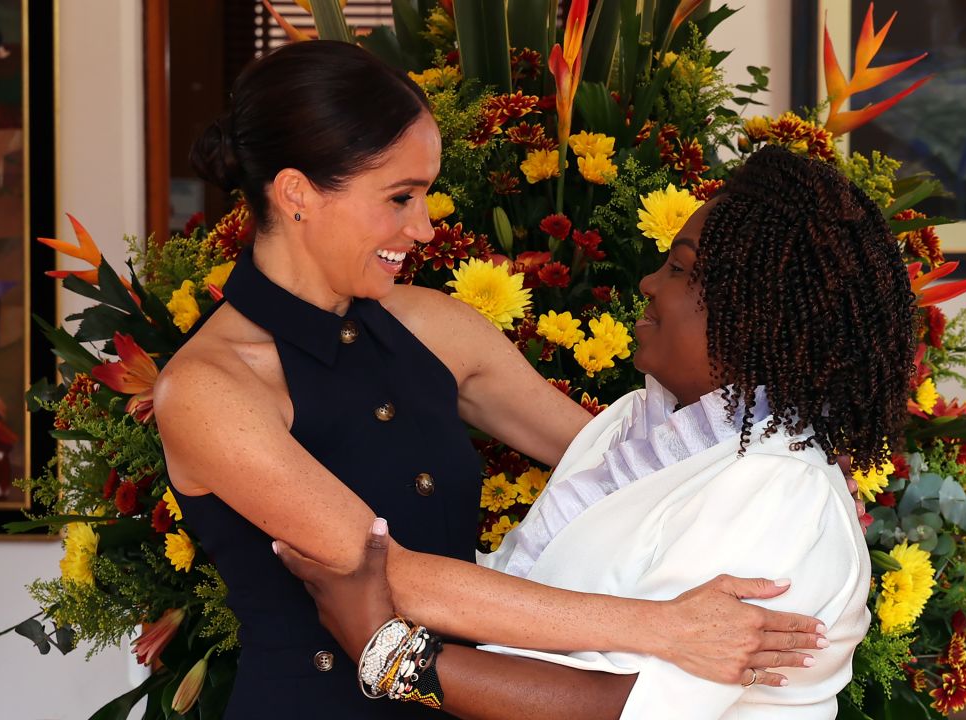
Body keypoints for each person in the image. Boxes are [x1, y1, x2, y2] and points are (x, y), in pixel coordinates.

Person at [155, 40, 830, 719]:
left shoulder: (432, 326)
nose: (422, 228)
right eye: (400, 197)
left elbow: (629, 464)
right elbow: (397, 579)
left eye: (426, 193)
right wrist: (665, 628)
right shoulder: (208, 390)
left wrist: (793, 493)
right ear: (298, 193)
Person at [275, 145, 915, 718]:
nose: (649, 284)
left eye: (681, 269)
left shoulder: (780, 493)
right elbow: (532, 600)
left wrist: (392, 656)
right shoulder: (633, 425)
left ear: (762, 317)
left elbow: (630, 708)